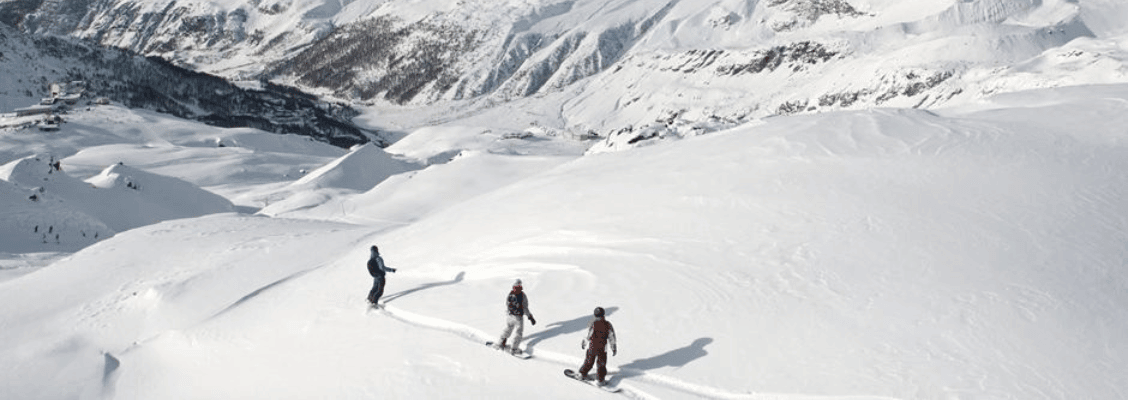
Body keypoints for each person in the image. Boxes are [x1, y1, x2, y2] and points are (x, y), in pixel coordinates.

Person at [577, 306, 617, 386]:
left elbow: (588, 334)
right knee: (601, 365)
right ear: (604, 315)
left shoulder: (593, 324)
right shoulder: (608, 325)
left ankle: (582, 373)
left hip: (592, 347)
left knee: (589, 362)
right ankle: (600, 380)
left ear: (595, 315)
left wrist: (584, 342)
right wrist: (613, 347)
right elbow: (611, 337)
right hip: (602, 349)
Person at [496, 279, 536, 354]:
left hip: (509, 315)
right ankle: (514, 348)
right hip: (518, 317)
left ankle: (501, 342)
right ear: (520, 285)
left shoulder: (510, 293)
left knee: (508, 328)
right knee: (519, 332)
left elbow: (507, 303)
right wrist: (530, 317)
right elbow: (525, 308)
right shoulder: (522, 295)